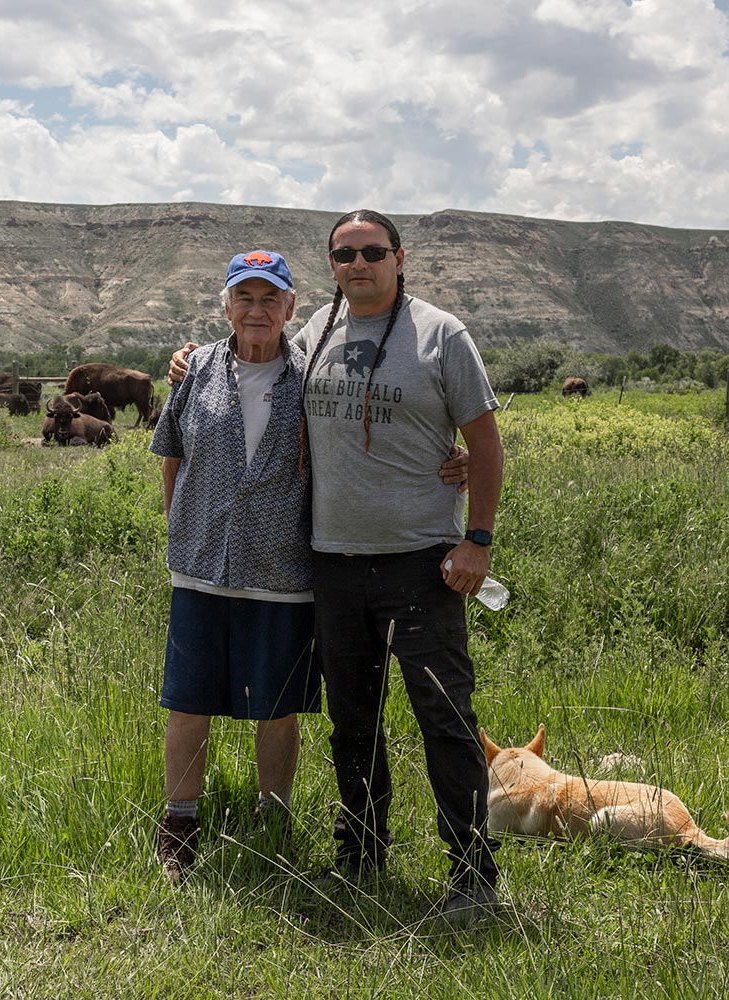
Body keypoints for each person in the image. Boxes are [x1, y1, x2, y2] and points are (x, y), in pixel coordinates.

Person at [169, 211, 503, 923]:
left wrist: (476, 536)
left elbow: (484, 440)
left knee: (443, 716)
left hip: (421, 562)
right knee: (352, 721)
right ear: (331, 266)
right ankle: (360, 852)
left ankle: (473, 874)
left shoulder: (443, 334)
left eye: (372, 251)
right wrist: (186, 359)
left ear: (398, 257)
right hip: (331, 564)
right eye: (344, 253)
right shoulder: (315, 332)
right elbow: (243, 359)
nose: (358, 262)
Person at [148, 249, 322, 884]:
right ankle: (180, 823)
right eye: (244, 298)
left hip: (281, 570)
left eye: (269, 299)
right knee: (189, 699)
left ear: (290, 308)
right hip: (201, 564)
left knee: (277, 705)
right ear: (226, 305)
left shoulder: (313, 379)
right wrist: (183, 525)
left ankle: (272, 821)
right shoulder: (196, 372)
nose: (256, 311)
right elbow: (171, 453)